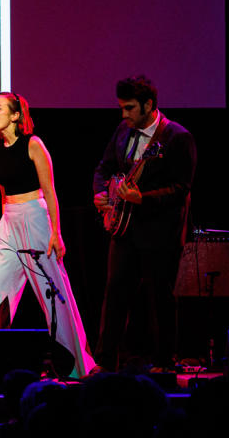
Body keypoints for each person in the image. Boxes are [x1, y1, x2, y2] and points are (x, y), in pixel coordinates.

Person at [0, 92, 96, 379]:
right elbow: (3, 190)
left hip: (37, 219)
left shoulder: (33, 144)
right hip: (9, 223)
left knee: (54, 293)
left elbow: (50, 190)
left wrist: (57, 232)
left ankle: (76, 364)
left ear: (15, 116)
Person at [92, 75, 196, 371]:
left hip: (159, 232)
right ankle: (106, 362)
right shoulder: (123, 131)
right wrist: (101, 193)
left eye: (129, 108)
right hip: (124, 229)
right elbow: (104, 167)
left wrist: (143, 198)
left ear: (149, 105)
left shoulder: (177, 137)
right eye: (122, 108)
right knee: (114, 296)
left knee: (160, 299)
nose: (123, 115)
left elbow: (180, 188)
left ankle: (164, 362)